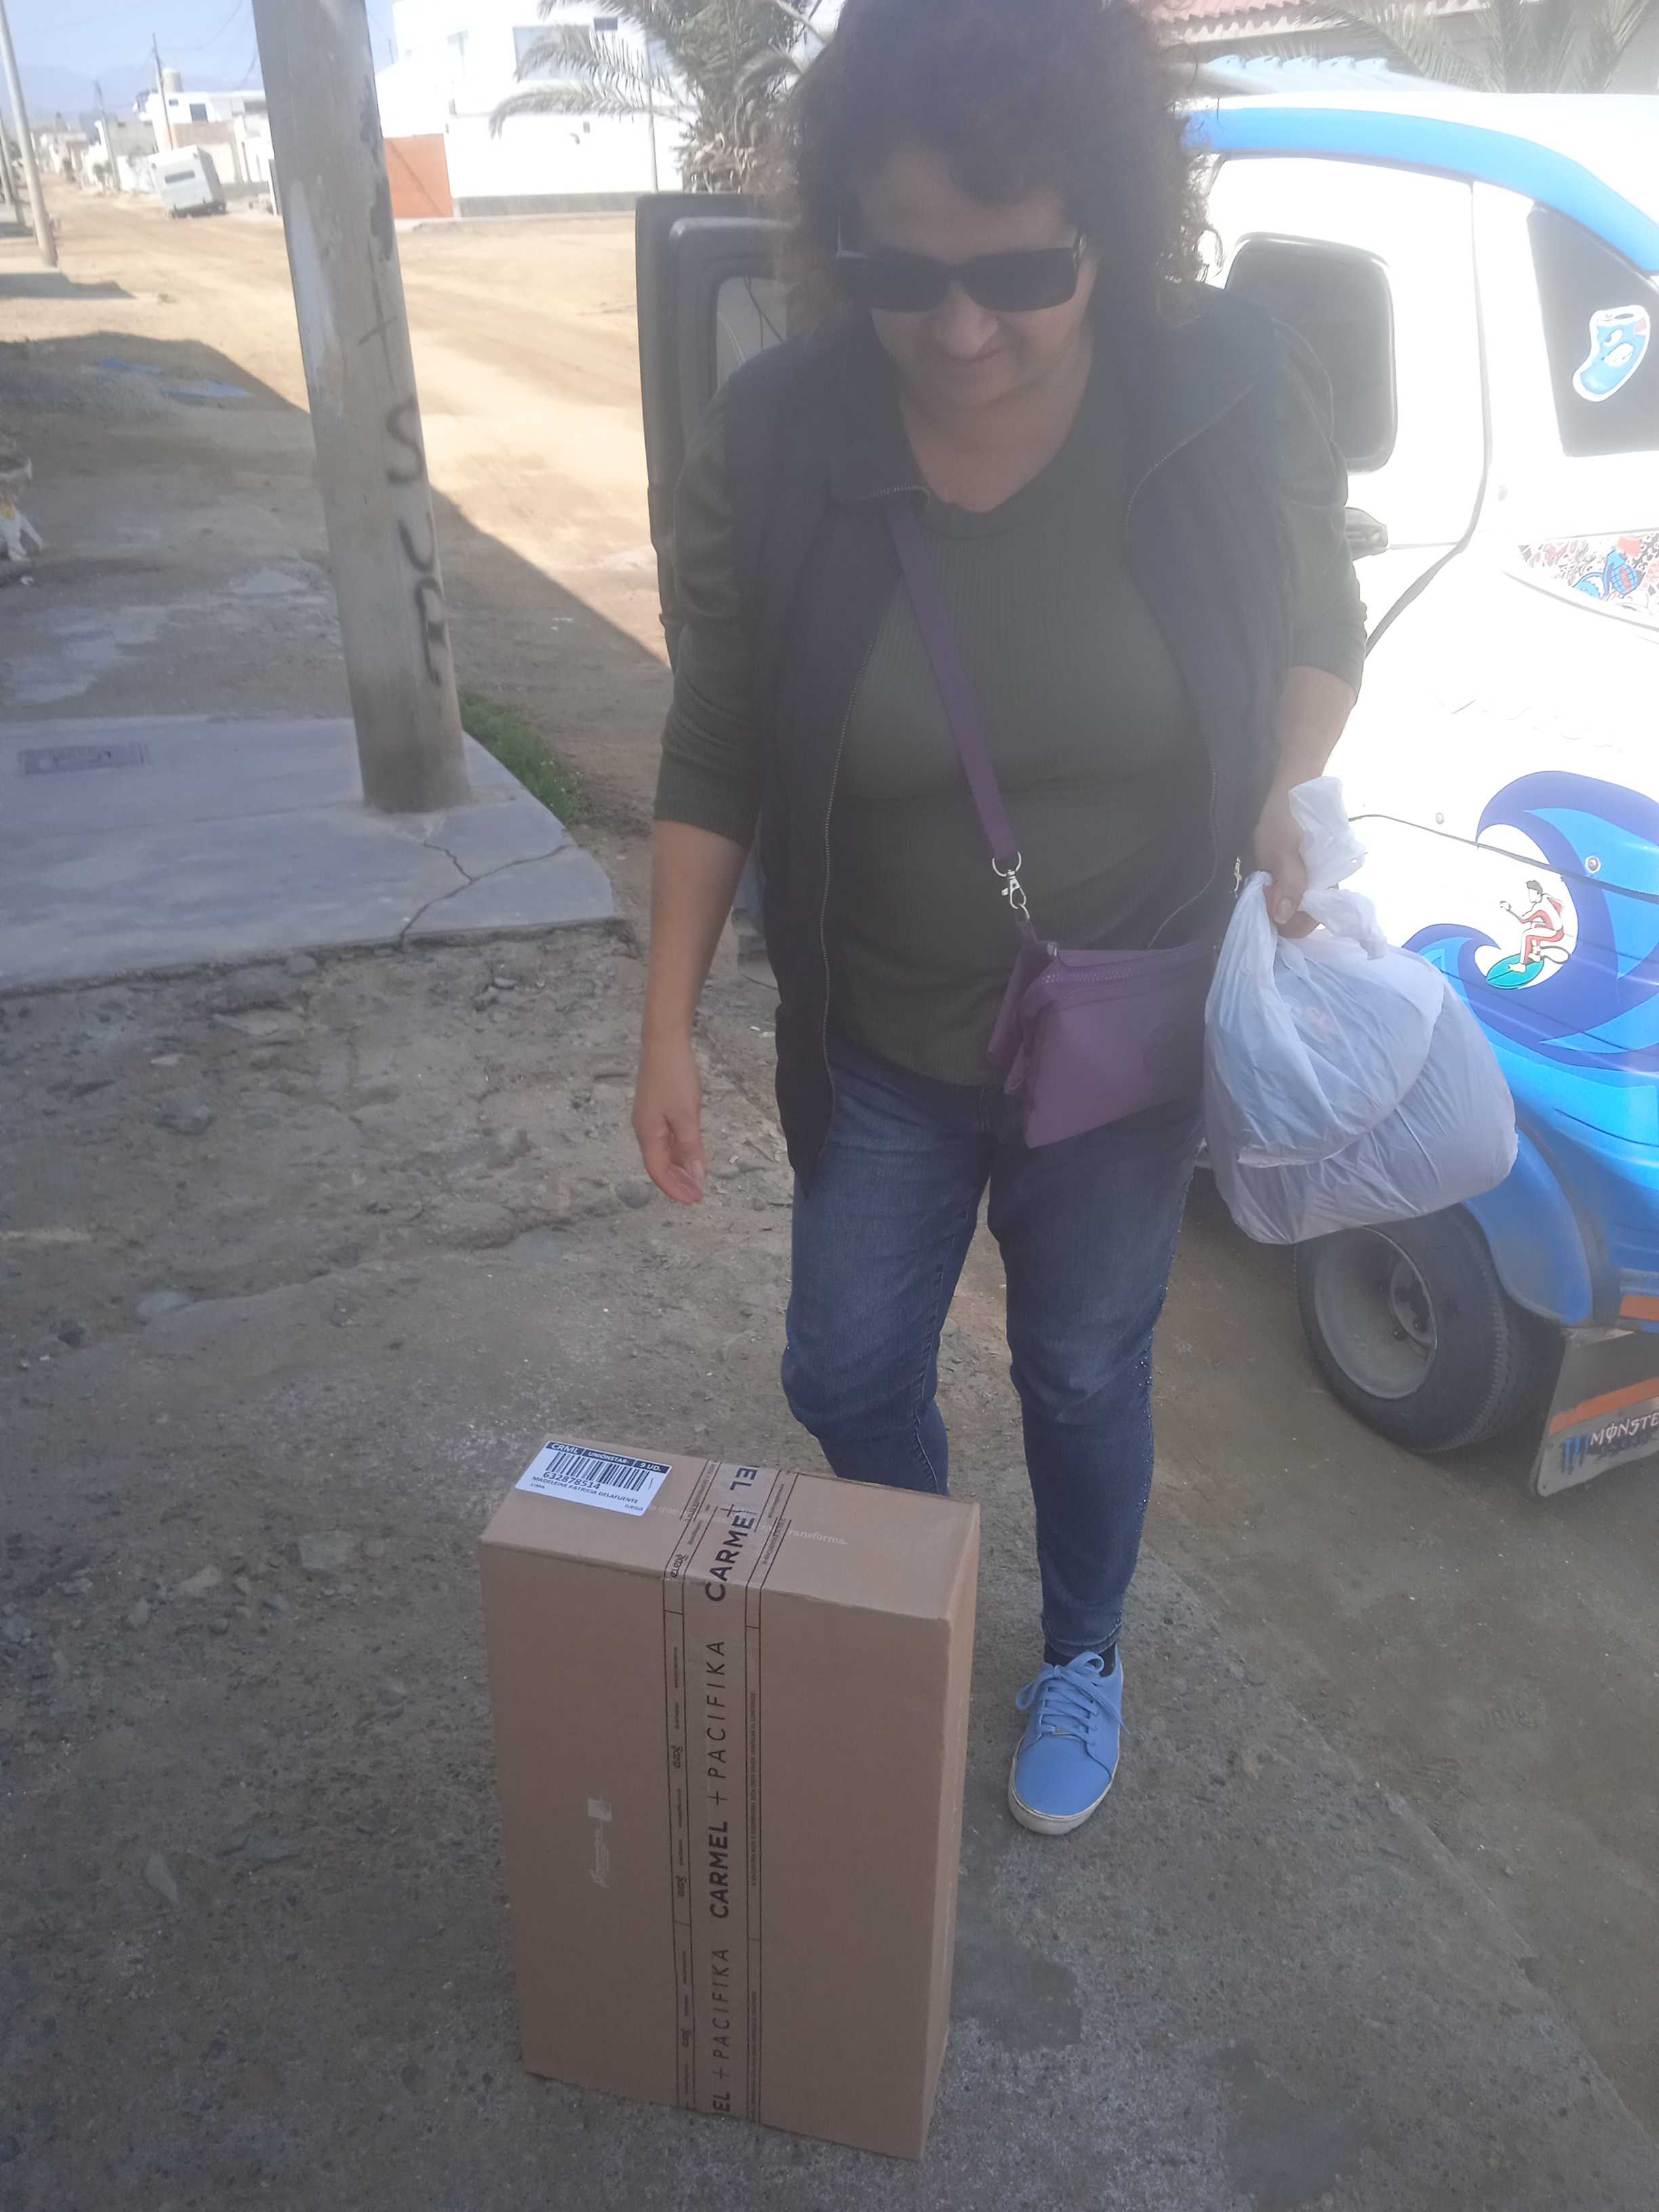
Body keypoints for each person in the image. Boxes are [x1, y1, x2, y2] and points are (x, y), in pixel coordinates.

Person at [634, 0, 1366, 1837]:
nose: (961, 331)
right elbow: (719, 737)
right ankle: (923, 1589)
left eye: (1021, 272)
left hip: (1123, 1021)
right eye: (907, 277)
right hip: (883, 1029)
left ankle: (1085, 1646)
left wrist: (1279, 783)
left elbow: (1314, 630)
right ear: (842, 243)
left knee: (1082, 1358)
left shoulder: (1217, 383)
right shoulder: (781, 432)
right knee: (841, 1363)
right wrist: (664, 1027)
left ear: (1108, 217)